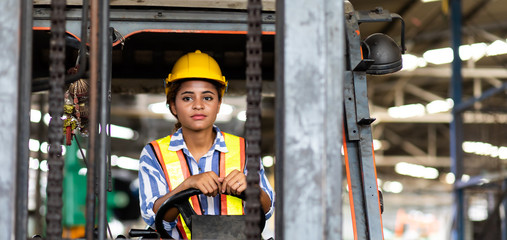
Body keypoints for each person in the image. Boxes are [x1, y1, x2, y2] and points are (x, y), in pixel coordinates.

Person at [138, 50, 275, 239]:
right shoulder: (154, 153)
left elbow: (267, 209)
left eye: (208, 97)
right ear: (173, 106)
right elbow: (153, 216)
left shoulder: (245, 149)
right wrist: (186, 186)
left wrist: (252, 190)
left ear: (218, 104)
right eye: (187, 98)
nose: (198, 105)